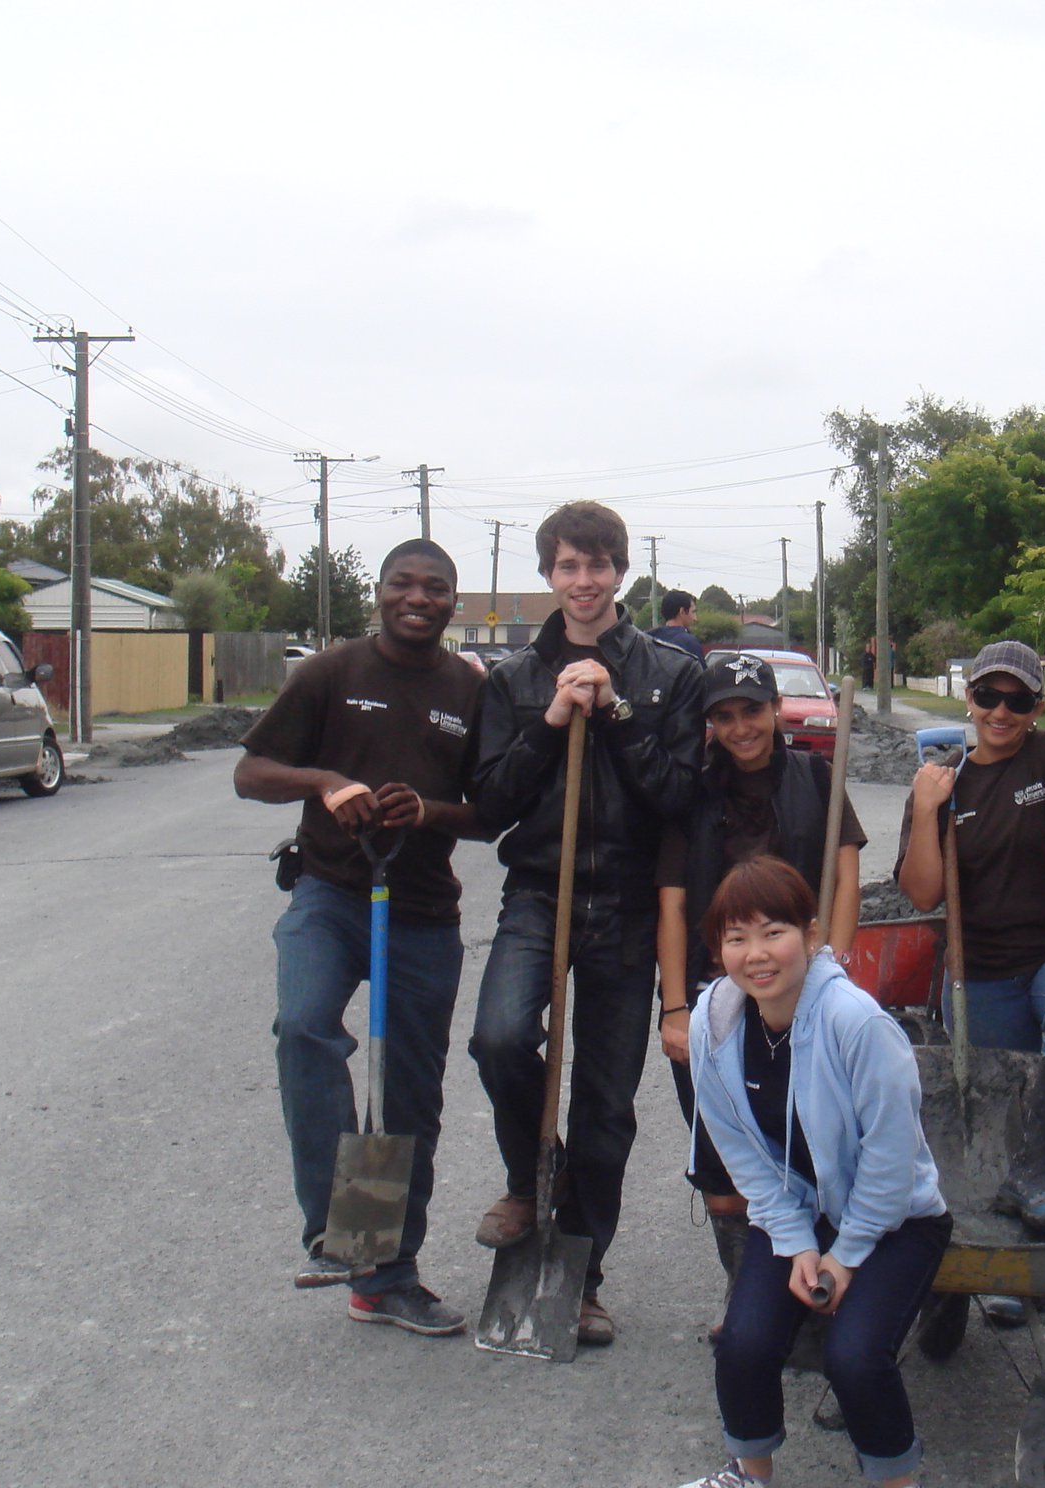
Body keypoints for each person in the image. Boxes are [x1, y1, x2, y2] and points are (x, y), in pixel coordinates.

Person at [232, 540, 488, 1336]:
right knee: (305, 1027)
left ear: (455, 602)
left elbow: (490, 812)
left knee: (407, 1097)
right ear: (377, 593)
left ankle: (388, 1276)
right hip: (332, 894)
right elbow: (251, 772)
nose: (417, 598)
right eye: (402, 585)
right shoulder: (329, 674)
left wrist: (431, 812)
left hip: (420, 912)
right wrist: (323, 782)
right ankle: (337, 1231)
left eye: (435, 588)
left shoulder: (471, 694)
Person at [664, 857, 963, 1488]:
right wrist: (796, 1240)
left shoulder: (858, 1025)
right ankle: (750, 1472)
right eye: (736, 938)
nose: (757, 955)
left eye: (774, 932)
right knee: (743, 1340)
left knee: (853, 1354)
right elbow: (739, 1148)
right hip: (800, 1211)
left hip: (895, 1221)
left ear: (811, 932)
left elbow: (891, 1165)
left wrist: (846, 1255)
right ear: (718, 951)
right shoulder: (715, 1019)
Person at [468, 499, 705, 1346]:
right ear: (547, 576)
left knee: (606, 1102)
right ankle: (534, 1172)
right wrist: (555, 720)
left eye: (599, 565)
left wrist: (615, 712)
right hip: (539, 892)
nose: (584, 581)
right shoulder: (513, 681)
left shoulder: (668, 674)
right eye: (568, 566)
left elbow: (679, 795)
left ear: (621, 572)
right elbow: (489, 804)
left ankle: (583, 1275)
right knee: (498, 1038)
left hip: (629, 902)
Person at [656, 650, 866, 1319]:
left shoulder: (817, 776)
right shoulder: (688, 794)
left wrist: (831, 973)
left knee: (809, 1144)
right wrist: (675, 1006)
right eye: (725, 715)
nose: (742, 726)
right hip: (715, 1001)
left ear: (776, 710)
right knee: (725, 1161)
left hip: (801, 993)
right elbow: (672, 905)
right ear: (710, 724)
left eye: (753, 710)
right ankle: (749, 1290)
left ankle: (810, 1287)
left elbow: (846, 880)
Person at [894, 640, 1045, 1254]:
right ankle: (1004, 1258)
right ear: (968, 698)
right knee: (993, 1109)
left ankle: (1037, 1173)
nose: (1001, 711)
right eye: (988, 696)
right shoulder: (944, 777)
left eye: (1017, 700)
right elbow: (921, 894)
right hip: (978, 974)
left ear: (1037, 706)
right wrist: (925, 810)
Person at [649, 589, 706, 660]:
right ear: (682, 612)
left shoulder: (647, 640)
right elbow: (700, 670)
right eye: (693, 612)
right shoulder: (689, 643)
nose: (695, 618)